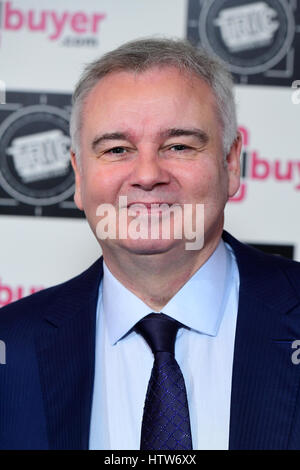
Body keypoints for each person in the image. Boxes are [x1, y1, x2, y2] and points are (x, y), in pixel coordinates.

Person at [1, 38, 300, 451]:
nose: (147, 174)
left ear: (231, 163)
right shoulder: (10, 347)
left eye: (178, 146)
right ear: (79, 176)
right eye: (117, 149)